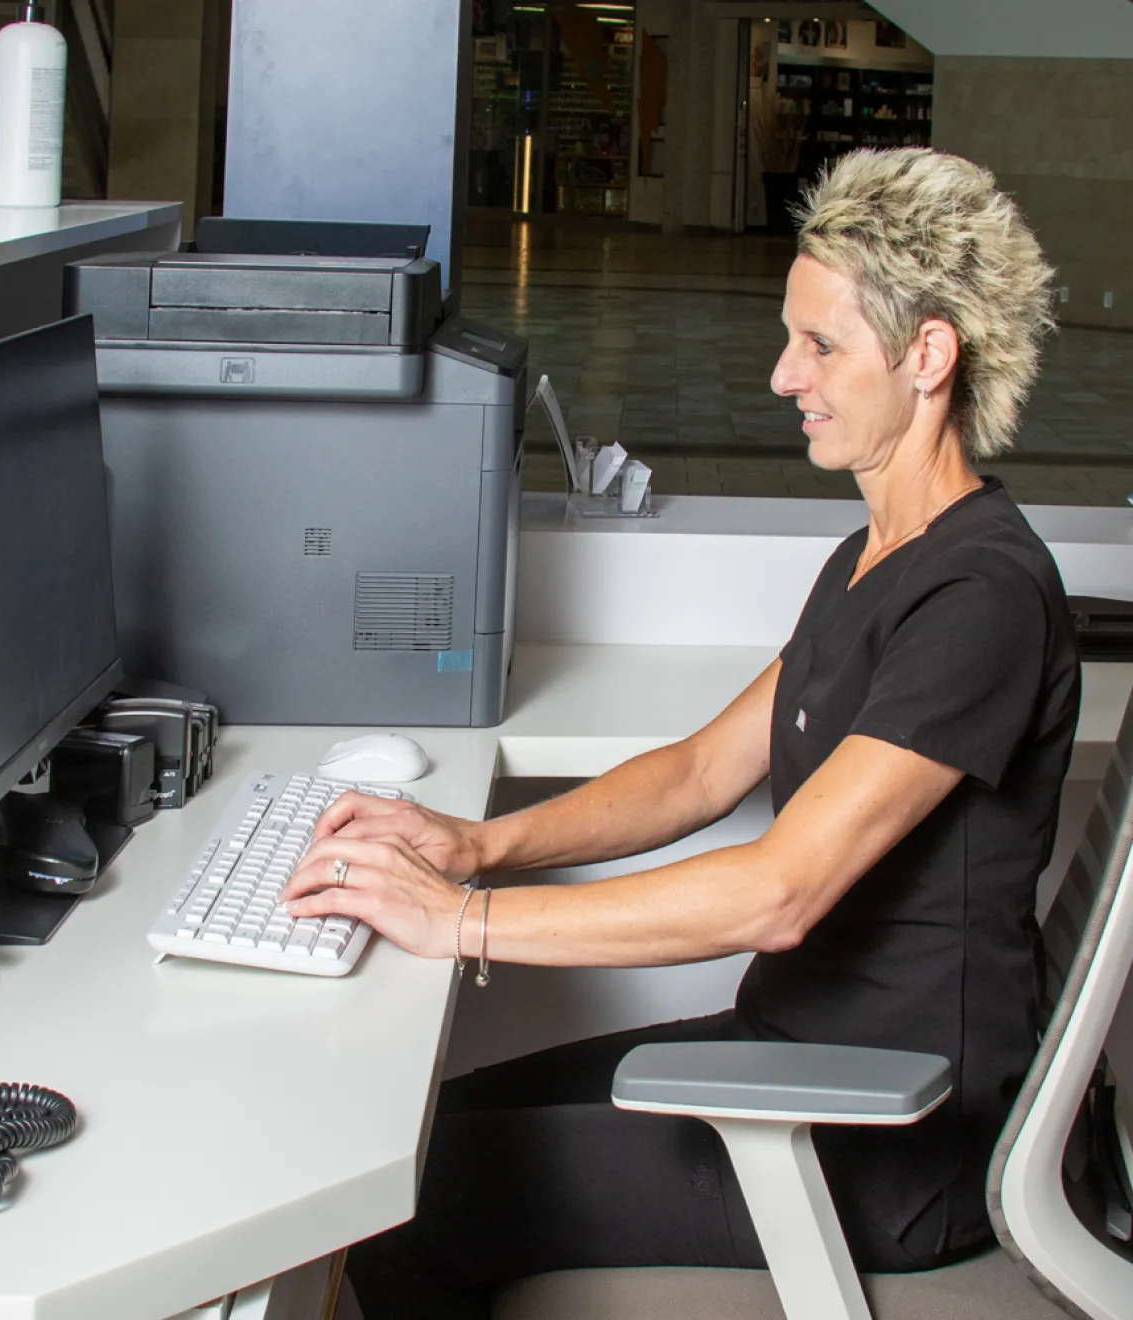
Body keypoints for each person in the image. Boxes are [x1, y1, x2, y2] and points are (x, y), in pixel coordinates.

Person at [282, 148, 1080, 1319]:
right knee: (422, 1126)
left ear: (926, 355)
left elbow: (776, 894)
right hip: (790, 1049)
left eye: (819, 345)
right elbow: (702, 771)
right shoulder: (873, 558)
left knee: (411, 1199)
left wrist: (460, 924)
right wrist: (476, 845)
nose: (782, 374)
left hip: (890, 1137)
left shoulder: (980, 598)